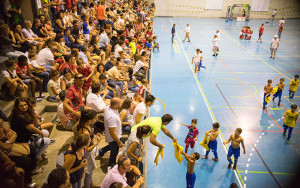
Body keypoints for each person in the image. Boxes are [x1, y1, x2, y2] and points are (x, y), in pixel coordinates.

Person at [72, 109, 102, 188]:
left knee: (90, 170)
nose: (96, 119)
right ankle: (87, 186)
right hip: (88, 153)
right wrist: (97, 142)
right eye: (95, 118)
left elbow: (73, 129)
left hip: (89, 150)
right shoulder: (85, 132)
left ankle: (90, 184)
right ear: (89, 120)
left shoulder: (82, 124)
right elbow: (86, 149)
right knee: (89, 171)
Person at [98, 98, 123, 167]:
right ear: (116, 105)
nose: (121, 104)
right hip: (114, 138)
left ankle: (101, 151)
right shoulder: (112, 117)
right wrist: (119, 142)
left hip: (112, 137)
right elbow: (112, 132)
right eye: (120, 103)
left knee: (111, 146)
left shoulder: (108, 107)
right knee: (114, 152)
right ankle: (112, 164)